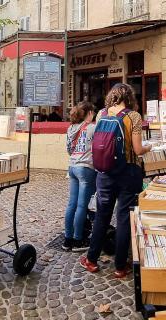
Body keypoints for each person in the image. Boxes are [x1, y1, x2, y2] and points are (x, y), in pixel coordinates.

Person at [80, 83, 152, 278]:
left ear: (112, 96)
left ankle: (91, 260)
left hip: (104, 173)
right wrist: (149, 148)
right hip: (128, 173)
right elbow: (137, 150)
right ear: (129, 98)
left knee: (102, 217)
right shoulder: (133, 116)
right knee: (123, 219)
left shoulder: (101, 114)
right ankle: (121, 266)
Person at [63, 102, 96, 252]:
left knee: (72, 204)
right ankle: (78, 240)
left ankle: (67, 239)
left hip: (72, 167)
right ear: (89, 113)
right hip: (86, 168)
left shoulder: (70, 128)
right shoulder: (92, 128)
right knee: (82, 206)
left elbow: (69, 150)